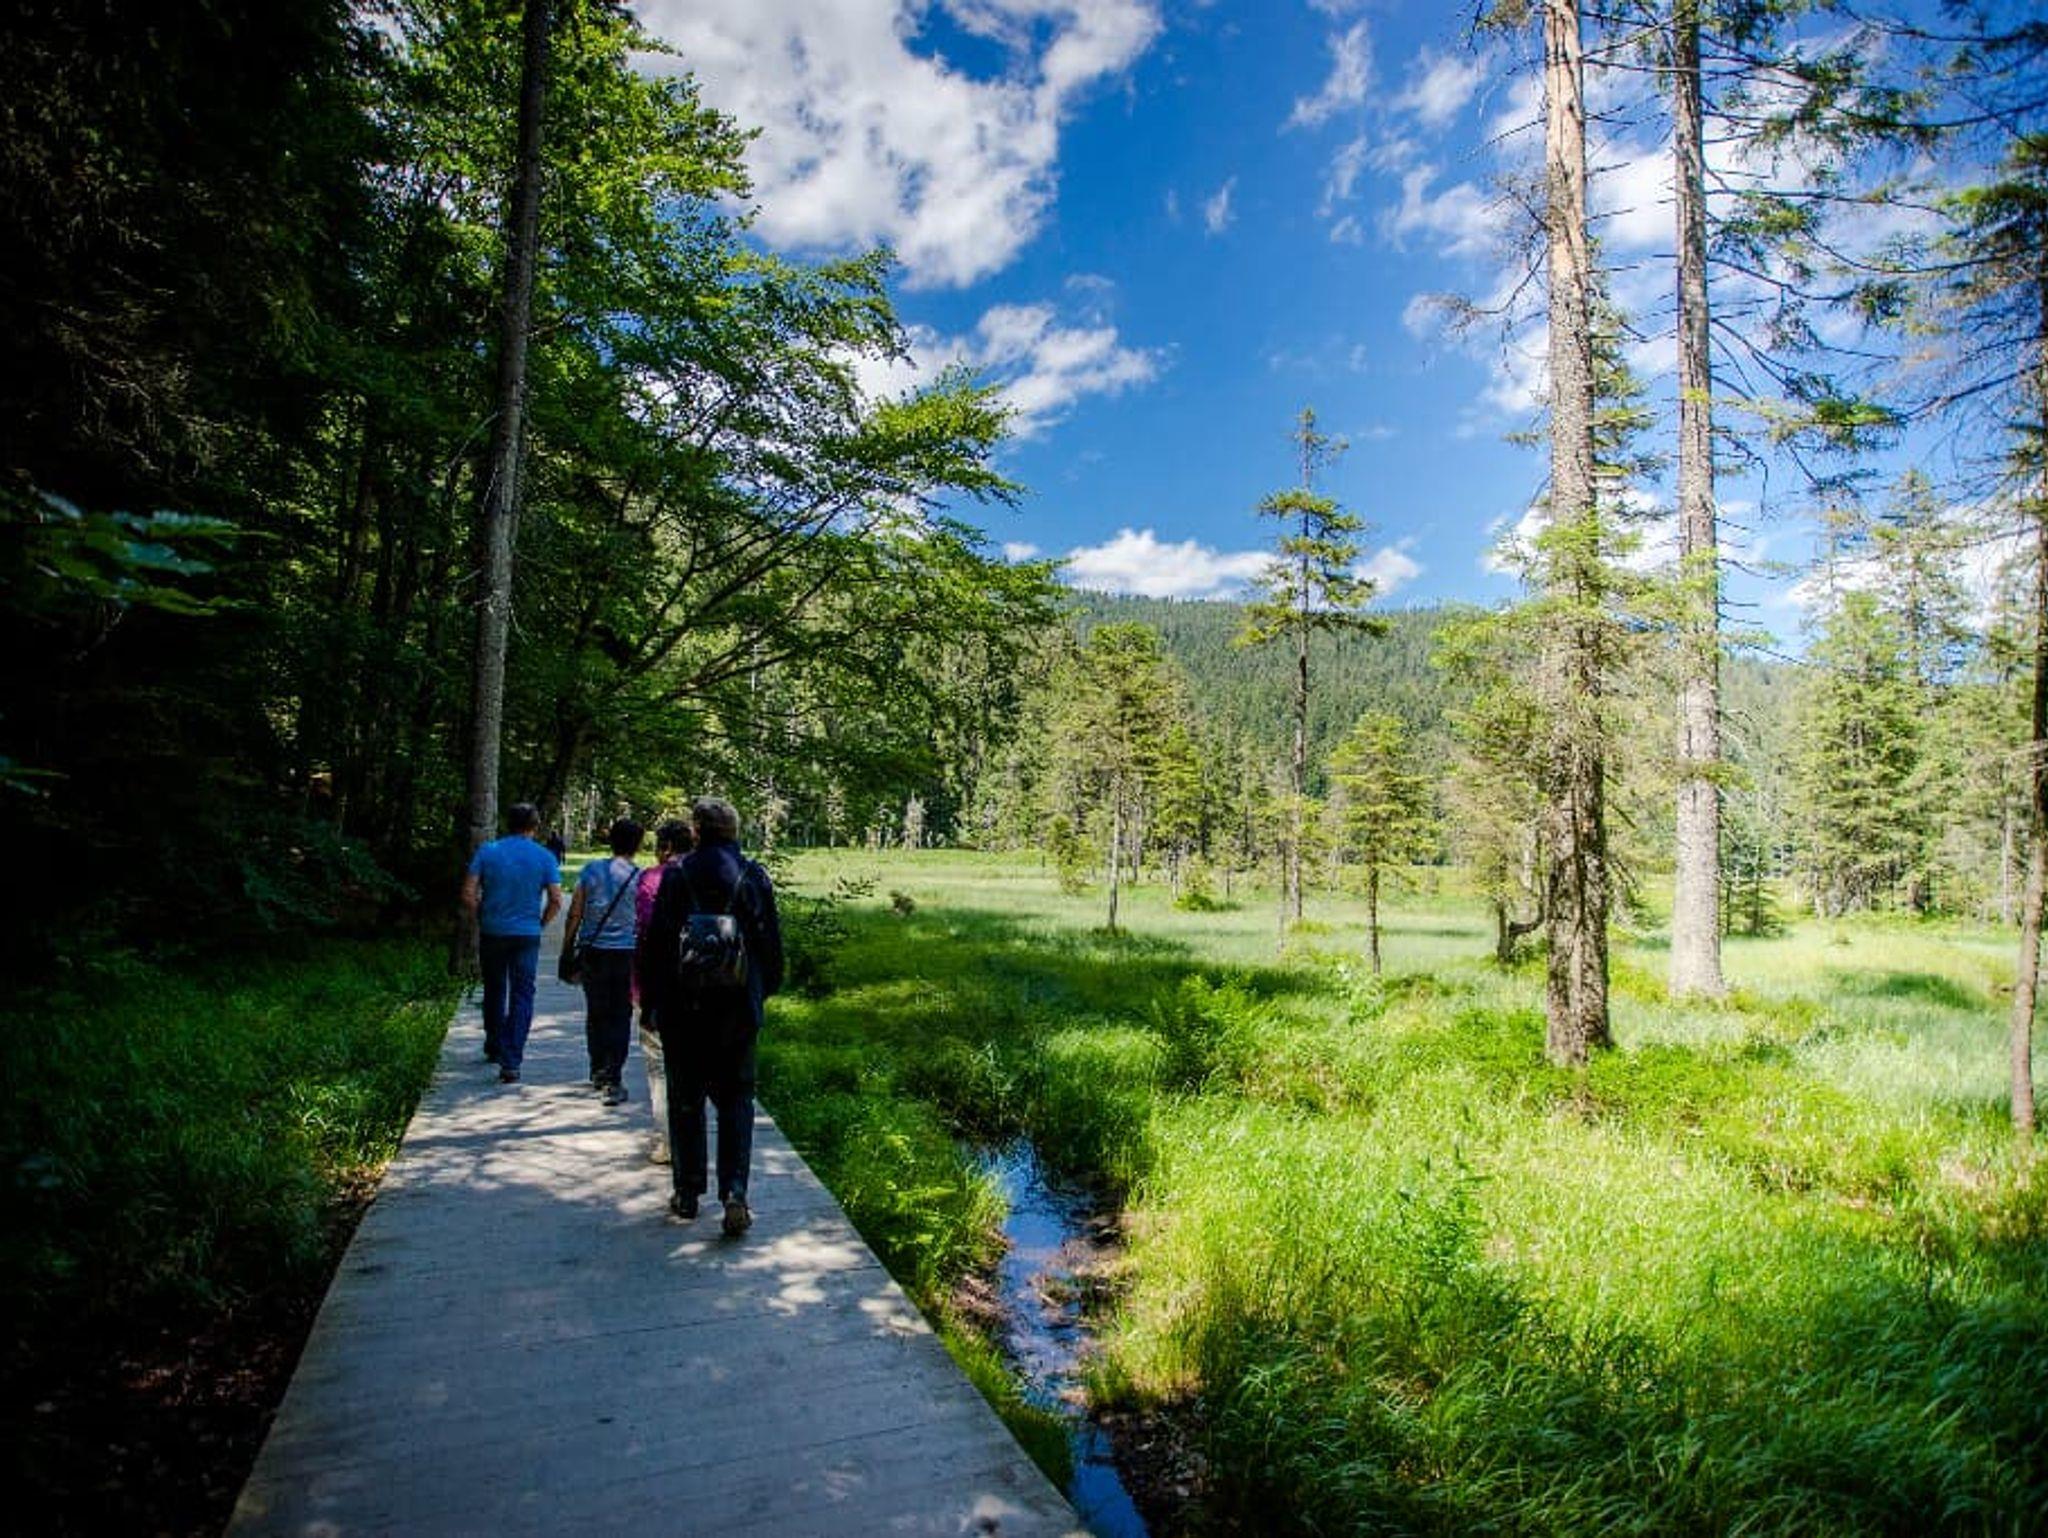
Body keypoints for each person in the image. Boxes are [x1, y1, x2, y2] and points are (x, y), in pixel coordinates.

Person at [639, 796, 782, 1237]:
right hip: (737, 1010)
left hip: (684, 1009)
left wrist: (651, 1003)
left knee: (686, 1100)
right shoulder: (752, 874)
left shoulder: (677, 874)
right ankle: (735, 1192)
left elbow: (658, 944)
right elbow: (770, 945)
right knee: (737, 1101)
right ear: (734, 831)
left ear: (696, 830)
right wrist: (760, 991)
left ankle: (687, 1193)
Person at [461, 802, 563, 1085]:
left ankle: (494, 1043)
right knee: (522, 994)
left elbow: (468, 893)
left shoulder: (488, 851)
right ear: (535, 826)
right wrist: (540, 923)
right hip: (526, 934)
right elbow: (556, 900)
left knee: (494, 988)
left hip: (493, 932)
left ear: (508, 823)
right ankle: (512, 1060)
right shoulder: (545, 857)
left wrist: (482, 916)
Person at [561, 817, 644, 1105]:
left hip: (593, 951)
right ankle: (613, 1076)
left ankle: (598, 1067)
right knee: (620, 1014)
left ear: (611, 841)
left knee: (596, 1011)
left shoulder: (591, 870)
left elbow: (575, 912)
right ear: (638, 845)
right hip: (626, 953)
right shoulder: (639, 877)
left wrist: (566, 949)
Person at [632, 820, 692, 1164]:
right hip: (702, 986)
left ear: (665, 847)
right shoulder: (706, 875)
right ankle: (690, 1139)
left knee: (658, 1066)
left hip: (656, 985)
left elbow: (644, 932)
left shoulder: (651, 879)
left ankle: (668, 1141)